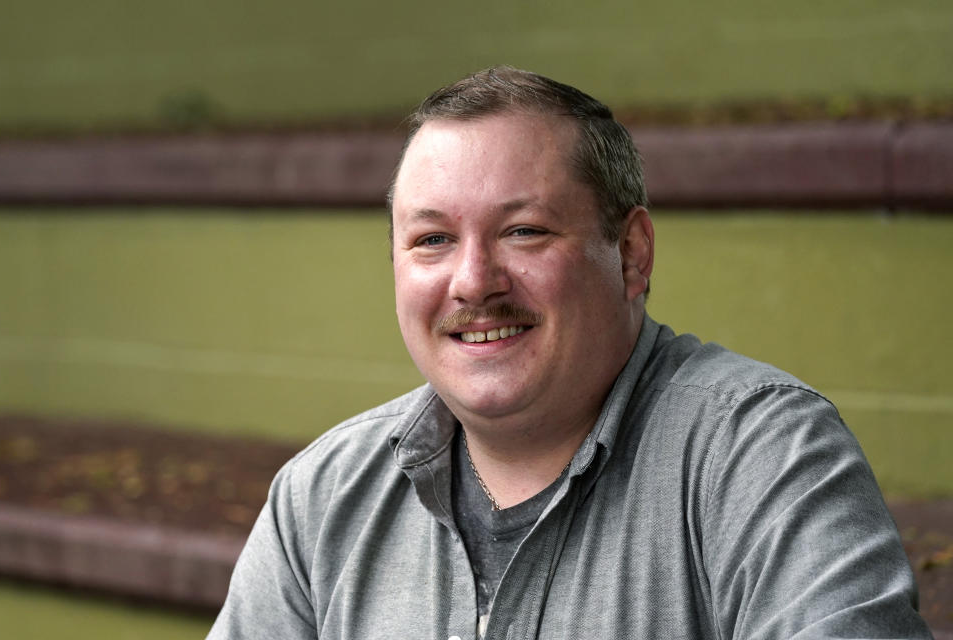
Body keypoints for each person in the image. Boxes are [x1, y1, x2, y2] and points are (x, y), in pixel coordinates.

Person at [208, 67, 931, 639]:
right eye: (432, 240)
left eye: (523, 231)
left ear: (632, 255)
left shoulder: (762, 458)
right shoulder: (323, 497)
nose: (473, 281)